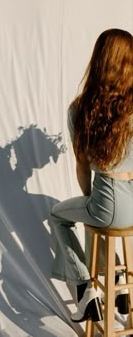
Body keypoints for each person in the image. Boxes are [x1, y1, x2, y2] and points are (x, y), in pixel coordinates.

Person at [50, 28, 133, 323]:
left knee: (59, 216)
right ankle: (121, 286)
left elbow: (82, 168)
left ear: (98, 60)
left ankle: (85, 288)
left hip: (108, 201)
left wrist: (91, 200)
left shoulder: (81, 108)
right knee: (93, 217)